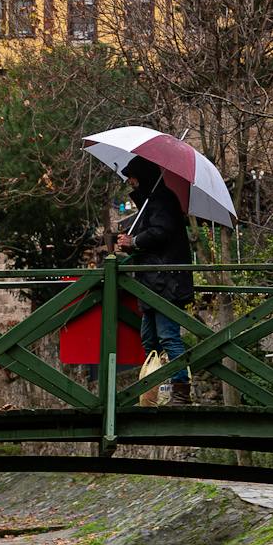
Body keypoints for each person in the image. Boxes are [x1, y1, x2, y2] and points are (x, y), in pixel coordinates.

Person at [115, 156, 198, 405]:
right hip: (153, 282)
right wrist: (130, 244)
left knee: (168, 336)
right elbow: (154, 237)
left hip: (167, 283)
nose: (130, 182)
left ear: (143, 176)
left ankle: (181, 392)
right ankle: (159, 389)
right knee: (149, 339)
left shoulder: (162, 200)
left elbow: (162, 232)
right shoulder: (150, 202)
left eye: (133, 177)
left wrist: (135, 242)